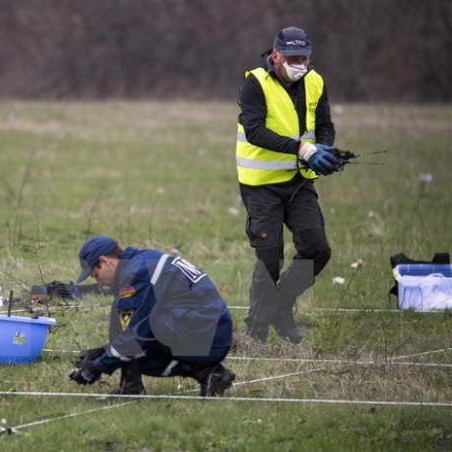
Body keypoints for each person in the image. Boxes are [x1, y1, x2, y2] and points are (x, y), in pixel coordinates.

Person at [235, 27, 338, 345]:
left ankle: (282, 306)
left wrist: (325, 149)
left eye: (305, 58)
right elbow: (254, 131)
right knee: (270, 256)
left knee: (317, 249)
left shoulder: (315, 81)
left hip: (299, 183)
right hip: (261, 183)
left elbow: (325, 125)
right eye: (293, 58)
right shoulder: (255, 82)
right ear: (275, 54)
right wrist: (303, 149)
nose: (300, 64)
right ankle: (256, 330)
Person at [68, 235, 235, 397]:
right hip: (208, 329)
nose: (99, 282)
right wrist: (102, 352)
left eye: (95, 275)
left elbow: (131, 339)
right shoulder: (139, 261)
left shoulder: (135, 275)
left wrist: (96, 367)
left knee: (135, 340)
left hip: (208, 336)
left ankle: (206, 372)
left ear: (105, 261)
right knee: (129, 327)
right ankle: (133, 386)